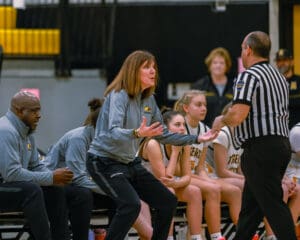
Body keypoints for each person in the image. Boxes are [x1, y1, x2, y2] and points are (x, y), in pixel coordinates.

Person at [85, 50, 218, 240]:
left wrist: (197, 139)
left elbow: (163, 133)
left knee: (168, 201)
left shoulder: (148, 99)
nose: (152, 71)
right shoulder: (118, 95)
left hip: (130, 162)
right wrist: (138, 133)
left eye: (154, 67)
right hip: (104, 162)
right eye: (147, 67)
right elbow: (112, 131)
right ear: (133, 70)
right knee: (131, 205)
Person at [212, 31, 296, 240]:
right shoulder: (279, 77)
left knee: (274, 205)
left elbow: (239, 113)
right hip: (280, 145)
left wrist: (220, 121)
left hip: (260, 148)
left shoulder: (248, 75)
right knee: (251, 208)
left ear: (248, 49)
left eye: (242, 48)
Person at [0, 91, 74, 240]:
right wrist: (51, 177)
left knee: (55, 189)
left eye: (39, 109)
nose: (39, 115)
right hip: (4, 185)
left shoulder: (27, 132)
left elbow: (35, 165)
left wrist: (55, 178)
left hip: (10, 185)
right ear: (20, 111)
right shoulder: (6, 131)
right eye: (34, 110)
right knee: (32, 190)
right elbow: (11, 174)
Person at [174, 90, 241, 240]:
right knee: (211, 189)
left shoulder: (204, 129)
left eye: (204, 105)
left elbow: (200, 167)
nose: (203, 108)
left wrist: (208, 179)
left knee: (230, 190)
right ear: (186, 108)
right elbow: (176, 169)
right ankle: (208, 236)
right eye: (198, 105)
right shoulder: (178, 127)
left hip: (192, 176)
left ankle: (243, 232)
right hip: (176, 176)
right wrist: (207, 182)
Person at [139, 109, 204, 240]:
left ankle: (196, 237)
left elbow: (187, 176)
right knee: (169, 193)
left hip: (163, 185)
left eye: (183, 125)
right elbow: (164, 179)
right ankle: (168, 237)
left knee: (195, 192)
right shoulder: (153, 143)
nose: (182, 129)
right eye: (177, 125)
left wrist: (177, 183)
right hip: (141, 187)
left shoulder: (184, 144)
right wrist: (175, 153)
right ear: (165, 128)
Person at [191, 47, 234, 127]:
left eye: (222, 63)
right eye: (215, 63)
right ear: (209, 65)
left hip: (229, 131)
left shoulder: (235, 86)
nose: (218, 66)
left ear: (227, 65)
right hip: (205, 130)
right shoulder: (200, 86)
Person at [274, 49, 300, 129]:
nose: (282, 63)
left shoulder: (299, 81)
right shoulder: (273, 83)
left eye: (285, 60)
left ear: (292, 62)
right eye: (279, 61)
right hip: (279, 130)